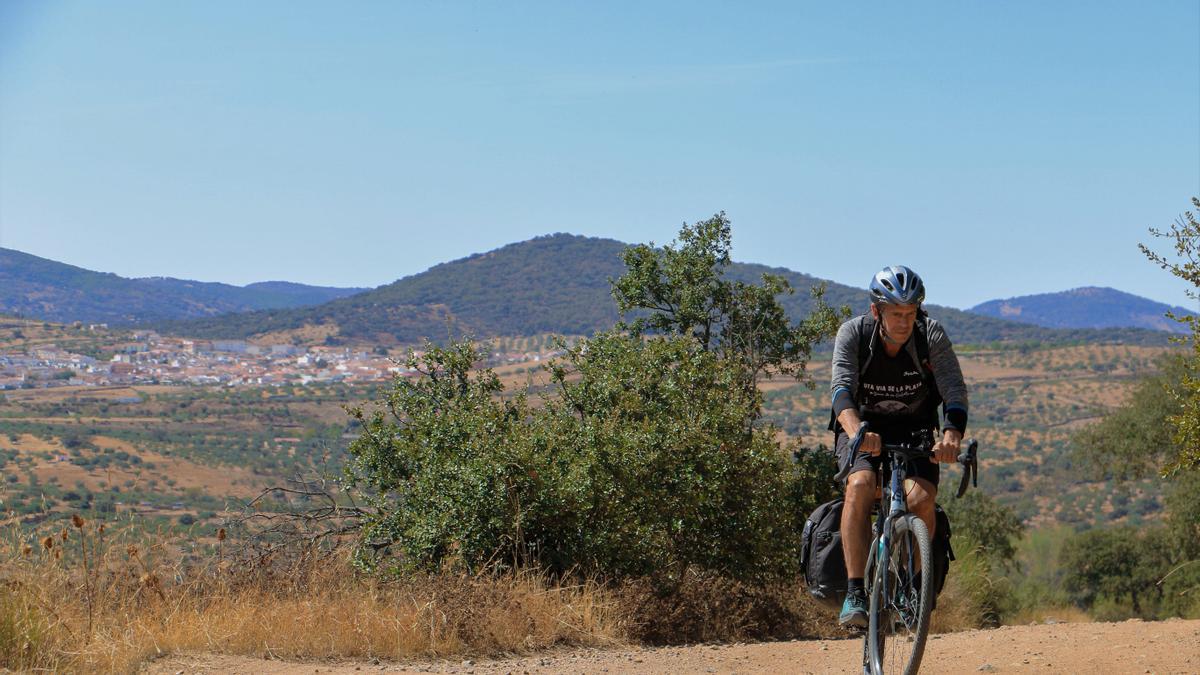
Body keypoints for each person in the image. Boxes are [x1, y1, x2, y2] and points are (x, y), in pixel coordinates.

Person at [829, 265, 969, 627]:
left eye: (910, 313)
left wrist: (952, 435)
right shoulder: (854, 334)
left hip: (916, 429)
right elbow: (841, 391)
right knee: (859, 486)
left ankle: (911, 587)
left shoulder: (930, 335)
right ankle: (855, 591)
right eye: (896, 314)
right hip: (862, 427)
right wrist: (858, 429)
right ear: (877, 311)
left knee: (921, 500)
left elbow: (954, 389)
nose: (904, 322)